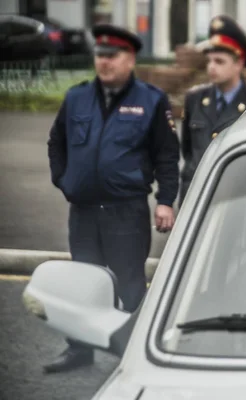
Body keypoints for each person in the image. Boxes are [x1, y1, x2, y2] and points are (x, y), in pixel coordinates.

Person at [45, 24, 180, 373]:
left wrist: (166, 200)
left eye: (112, 56)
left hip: (126, 211)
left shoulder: (151, 100)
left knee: (130, 283)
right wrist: (64, 180)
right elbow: (56, 142)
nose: (104, 62)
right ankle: (80, 349)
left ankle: (132, 353)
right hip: (84, 211)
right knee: (83, 283)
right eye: (100, 55)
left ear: (130, 58)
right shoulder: (76, 97)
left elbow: (167, 155)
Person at [178, 15, 246, 207]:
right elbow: (189, 151)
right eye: (209, 61)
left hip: (236, 201)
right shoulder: (194, 99)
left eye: (219, 61)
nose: (211, 67)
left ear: (239, 63)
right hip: (196, 201)